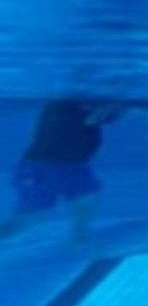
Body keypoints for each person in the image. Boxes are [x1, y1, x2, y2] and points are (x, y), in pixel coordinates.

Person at [2, 99, 121, 245]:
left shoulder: (57, 107)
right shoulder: (74, 107)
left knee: (35, 214)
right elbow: (98, 116)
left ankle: (80, 236)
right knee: (86, 197)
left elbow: (100, 117)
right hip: (60, 167)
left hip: (33, 167)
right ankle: (80, 239)